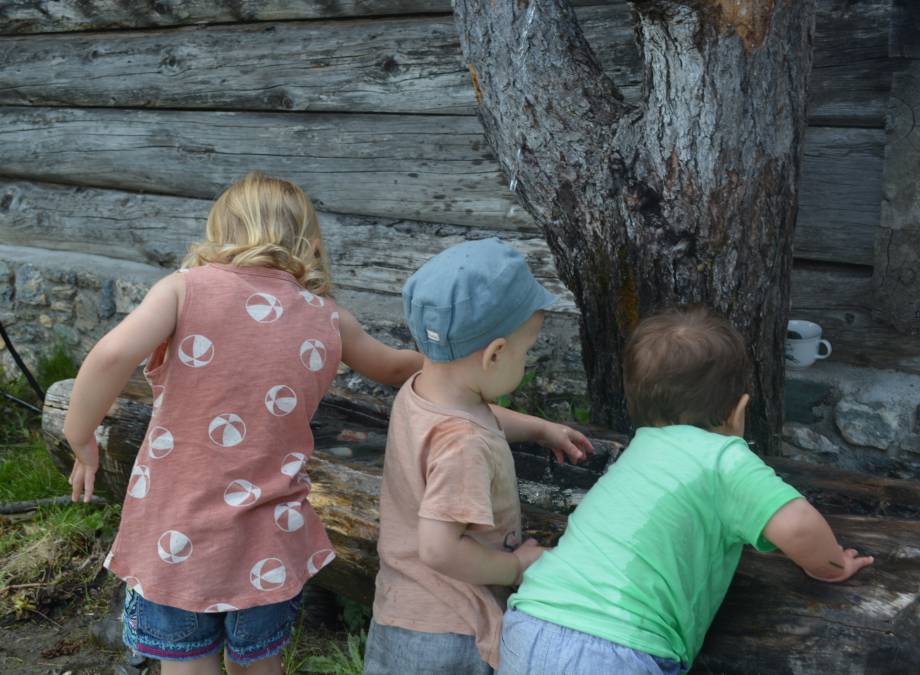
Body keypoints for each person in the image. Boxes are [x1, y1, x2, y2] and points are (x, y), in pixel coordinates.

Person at [63, 172, 423, 675]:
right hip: (269, 539)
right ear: (311, 247)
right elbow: (395, 368)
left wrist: (80, 436)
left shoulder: (183, 290)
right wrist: (457, 362)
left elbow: (111, 355)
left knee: (188, 664)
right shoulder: (328, 318)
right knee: (260, 665)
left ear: (218, 235)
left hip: (177, 535)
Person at [498, 306, 874, 675]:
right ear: (738, 411)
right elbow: (798, 527)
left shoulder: (638, 452)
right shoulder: (724, 459)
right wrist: (831, 566)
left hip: (530, 621)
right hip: (618, 648)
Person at [363, 238, 594, 674]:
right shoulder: (464, 445)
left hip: (400, 610)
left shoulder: (422, 392)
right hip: (450, 630)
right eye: (525, 352)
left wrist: (539, 429)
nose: (524, 361)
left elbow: (476, 416)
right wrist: (513, 567)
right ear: (495, 354)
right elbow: (438, 548)